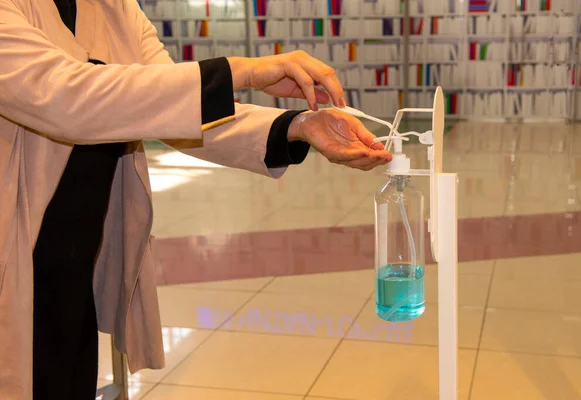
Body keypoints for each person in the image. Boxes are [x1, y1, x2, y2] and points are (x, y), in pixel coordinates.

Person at [0, 0, 392, 398]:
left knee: (64, 372)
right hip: (13, 259)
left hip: (78, 260)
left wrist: (300, 126)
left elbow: (176, 104)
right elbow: (69, 96)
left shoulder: (114, 9)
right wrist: (244, 70)